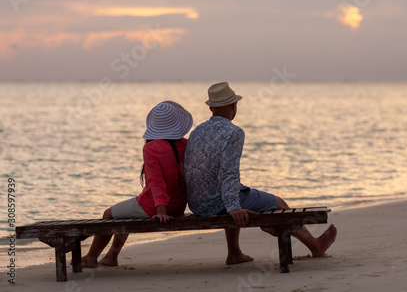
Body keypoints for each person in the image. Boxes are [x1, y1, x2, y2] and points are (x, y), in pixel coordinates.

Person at [184, 82, 337, 265]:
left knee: (235, 191)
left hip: (197, 204)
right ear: (234, 106)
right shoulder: (234, 132)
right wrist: (233, 207)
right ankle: (315, 246)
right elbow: (228, 172)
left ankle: (234, 253)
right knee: (278, 202)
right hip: (218, 203)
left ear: (210, 108)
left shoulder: (196, 132)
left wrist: (231, 201)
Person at [80, 100, 193, 268]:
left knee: (108, 214)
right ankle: (111, 256)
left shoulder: (152, 147)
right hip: (177, 207)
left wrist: (161, 210)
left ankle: (91, 257)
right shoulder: (186, 144)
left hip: (156, 207)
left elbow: (156, 181)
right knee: (124, 215)